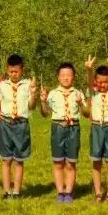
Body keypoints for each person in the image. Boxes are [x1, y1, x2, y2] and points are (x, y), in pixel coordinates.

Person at [0, 54, 37, 200]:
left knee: (19, 160)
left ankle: (16, 192)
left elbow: (32, 106)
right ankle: (6, 191)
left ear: (22, 70)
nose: (14, 74)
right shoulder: (2, 86)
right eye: (11, 71)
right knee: (6, 159)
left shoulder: (27, 85)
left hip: (21, 125)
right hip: (5, 124)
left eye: (16, 71)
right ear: (7, 70)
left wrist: (33, 94)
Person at [42, 62, 84, 204]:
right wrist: (43, 102)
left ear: (73, 77)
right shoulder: (53, 94)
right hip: (58, 128)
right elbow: (45, 113)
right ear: (58, 77)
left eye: (69, 75)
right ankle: (60, 192)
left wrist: (80, 103)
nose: (66, 78)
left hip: (73, 128)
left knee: (71, 163)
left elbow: (86, 113)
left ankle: (69, 192)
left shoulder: (78, 93)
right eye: (63, 75)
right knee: (58, 162)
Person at [84, 56, 108, 203]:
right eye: (99, 82)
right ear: (95, 81)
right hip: (97, 129)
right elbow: (89, 81)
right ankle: (98, 192)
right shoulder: (93, 93)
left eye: (105, 82)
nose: (103, 84)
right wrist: (89, 70)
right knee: (96, 162)